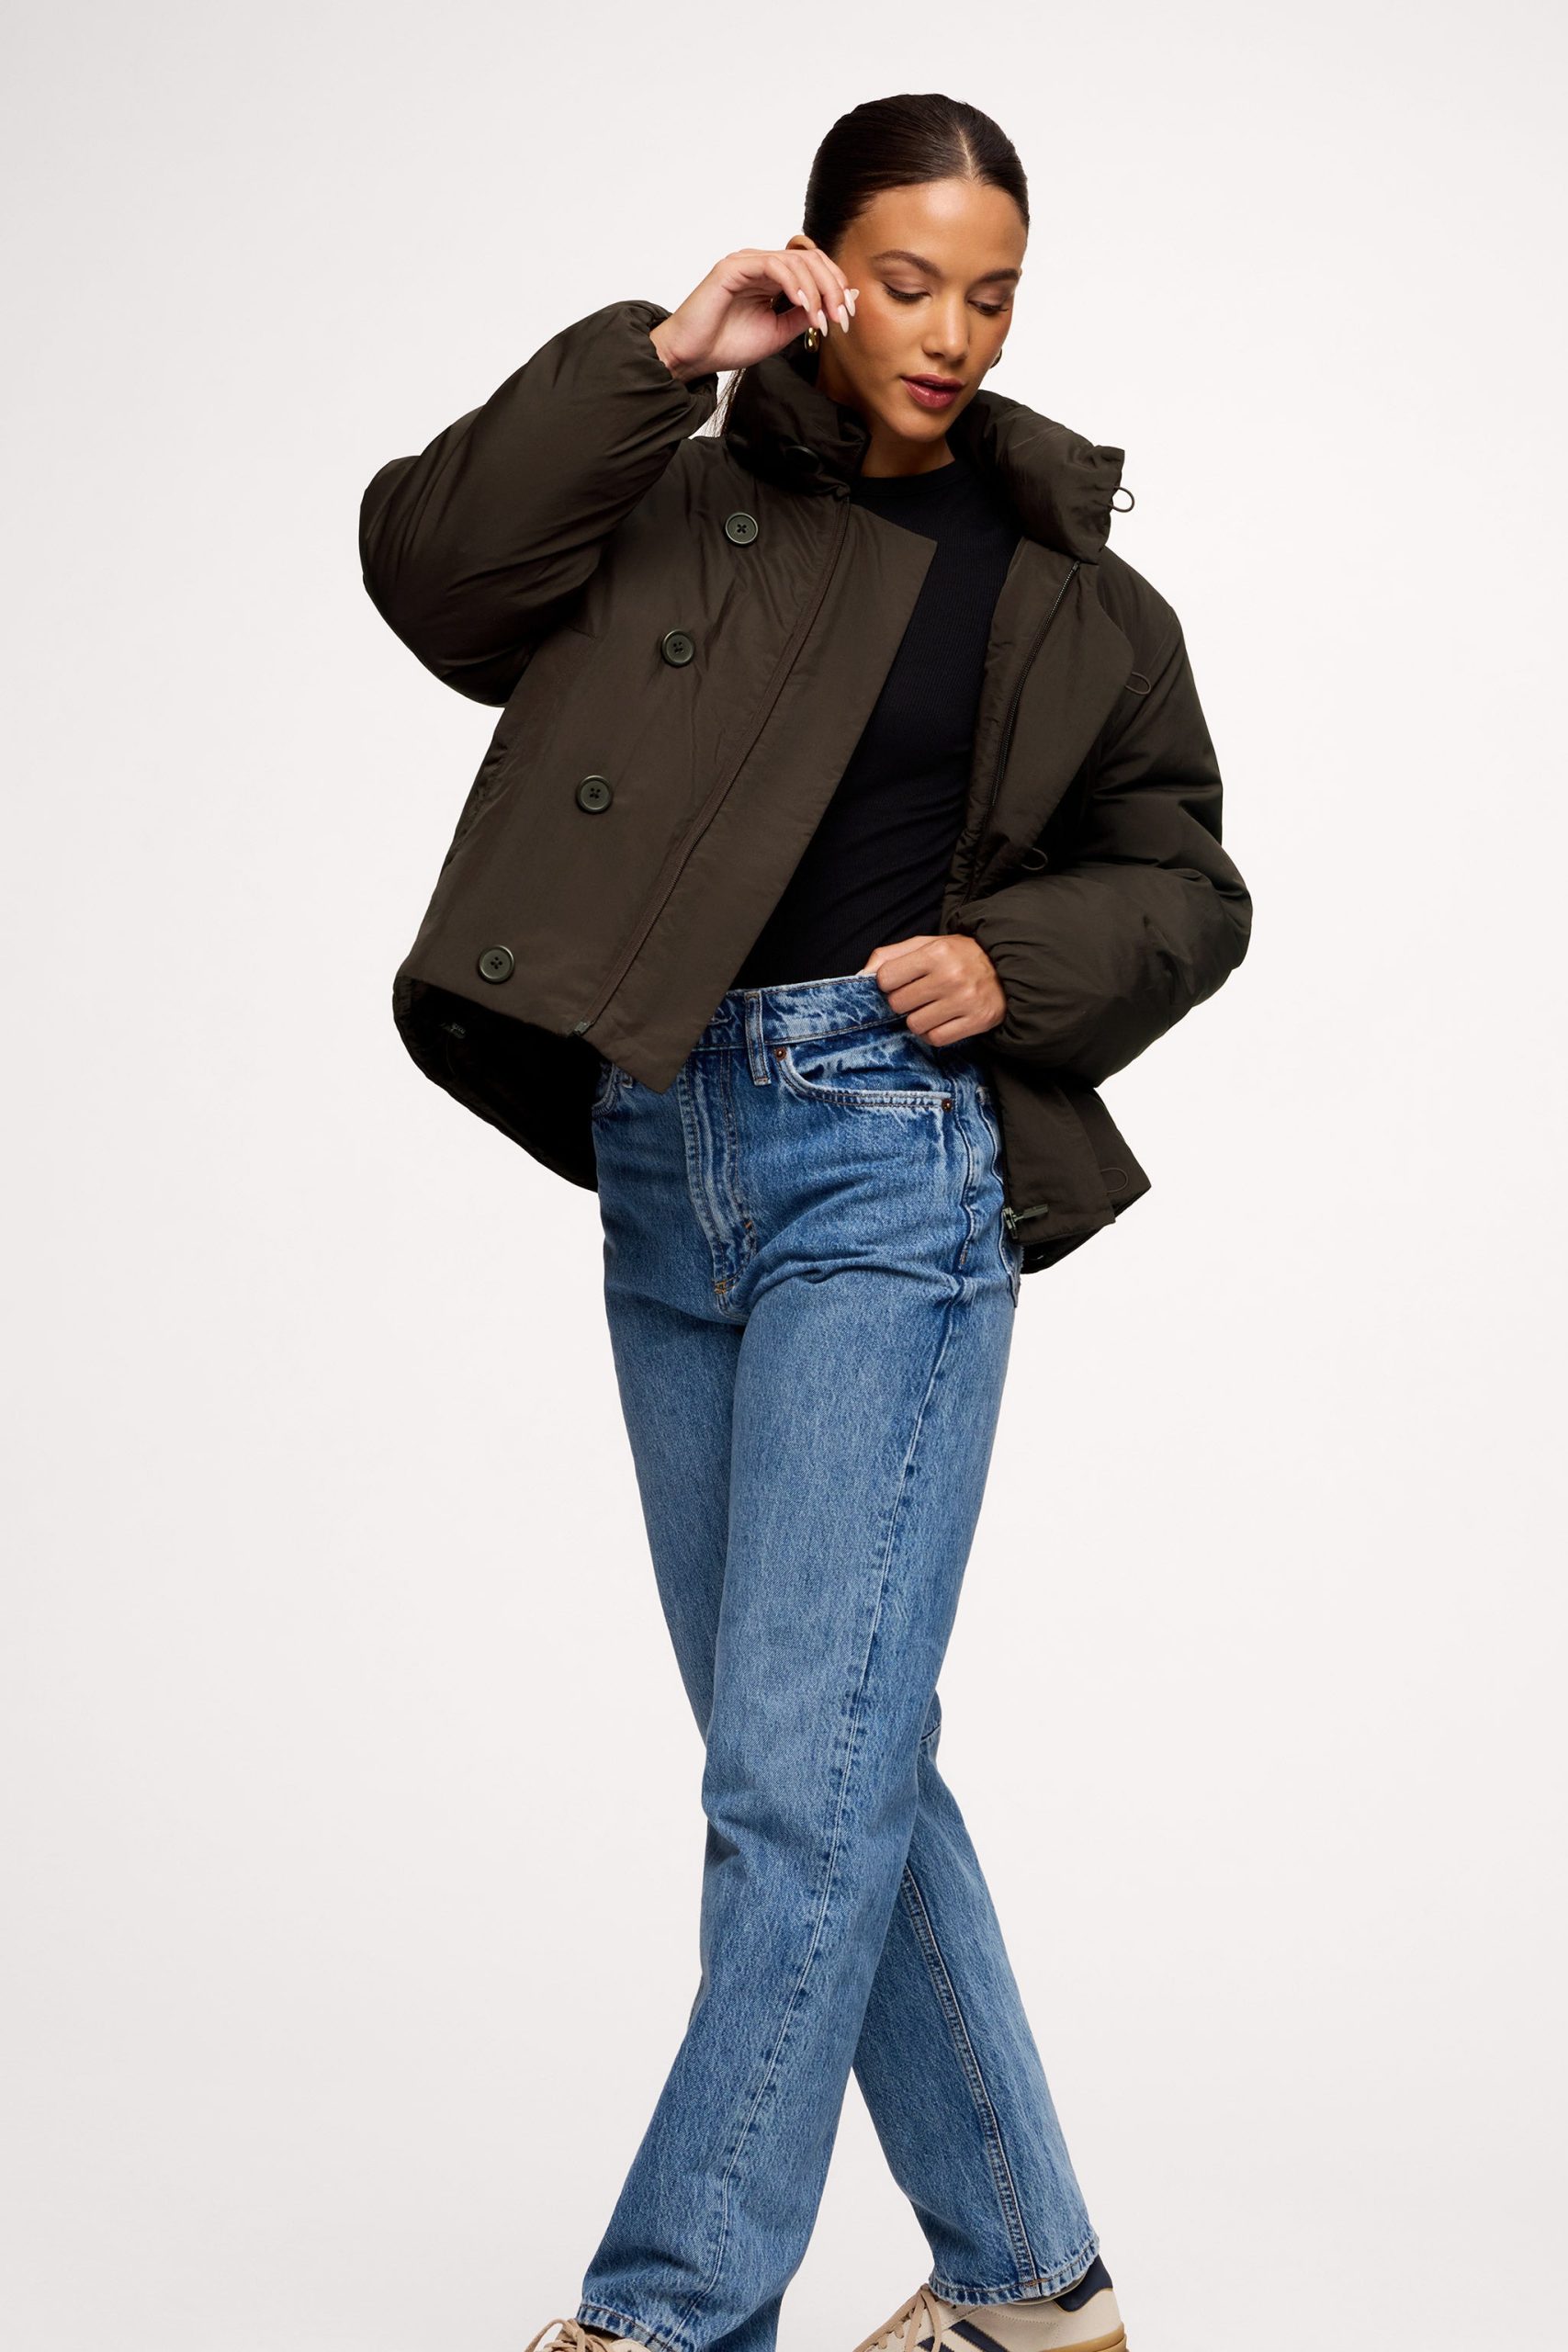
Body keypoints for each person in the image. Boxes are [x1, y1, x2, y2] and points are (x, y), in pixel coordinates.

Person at [359, 91, 1251, 2352]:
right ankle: (1029, 2289)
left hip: (890, 1157)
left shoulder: (1067, 588)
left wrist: (1008, 964)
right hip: (665, 1146)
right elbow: (435, 577)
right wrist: (663, 356)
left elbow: (1183, 878)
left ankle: (670, 2308)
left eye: (993, 295)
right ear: (821, 263)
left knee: (795, 1772)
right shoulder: (671, 496)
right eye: (911, 280)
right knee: (829, 1763)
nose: (950, 333)